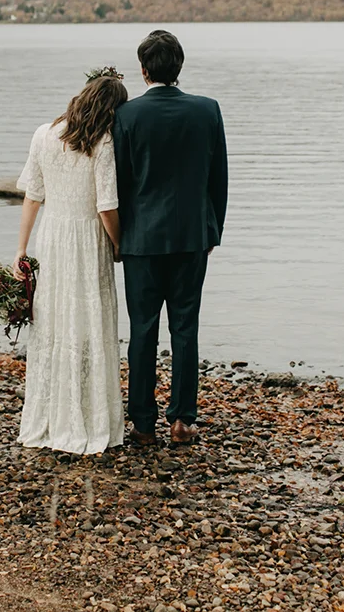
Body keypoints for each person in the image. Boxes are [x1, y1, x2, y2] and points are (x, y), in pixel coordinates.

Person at [112, 30, 227, 446]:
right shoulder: (207, 111)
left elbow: (120, 183)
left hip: (140, 241)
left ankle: (143, 424)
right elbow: (219, 180)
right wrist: (213, 230)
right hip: (192, 237)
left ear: (143, 71)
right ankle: (182, 420)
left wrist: (119, 237)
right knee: (185, 328)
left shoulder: (125, 116)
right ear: (179, 68)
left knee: (142, 331)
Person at [13, 69, 129, 454]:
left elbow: (33, 196)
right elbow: (106, 206)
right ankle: (87, 417)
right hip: (88, 241)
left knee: (54, 323)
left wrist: (21, 249)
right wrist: (118, 245)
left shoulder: (43, 134)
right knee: (89, 323)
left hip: (52, 236)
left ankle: (48, 417)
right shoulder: (103, 142)